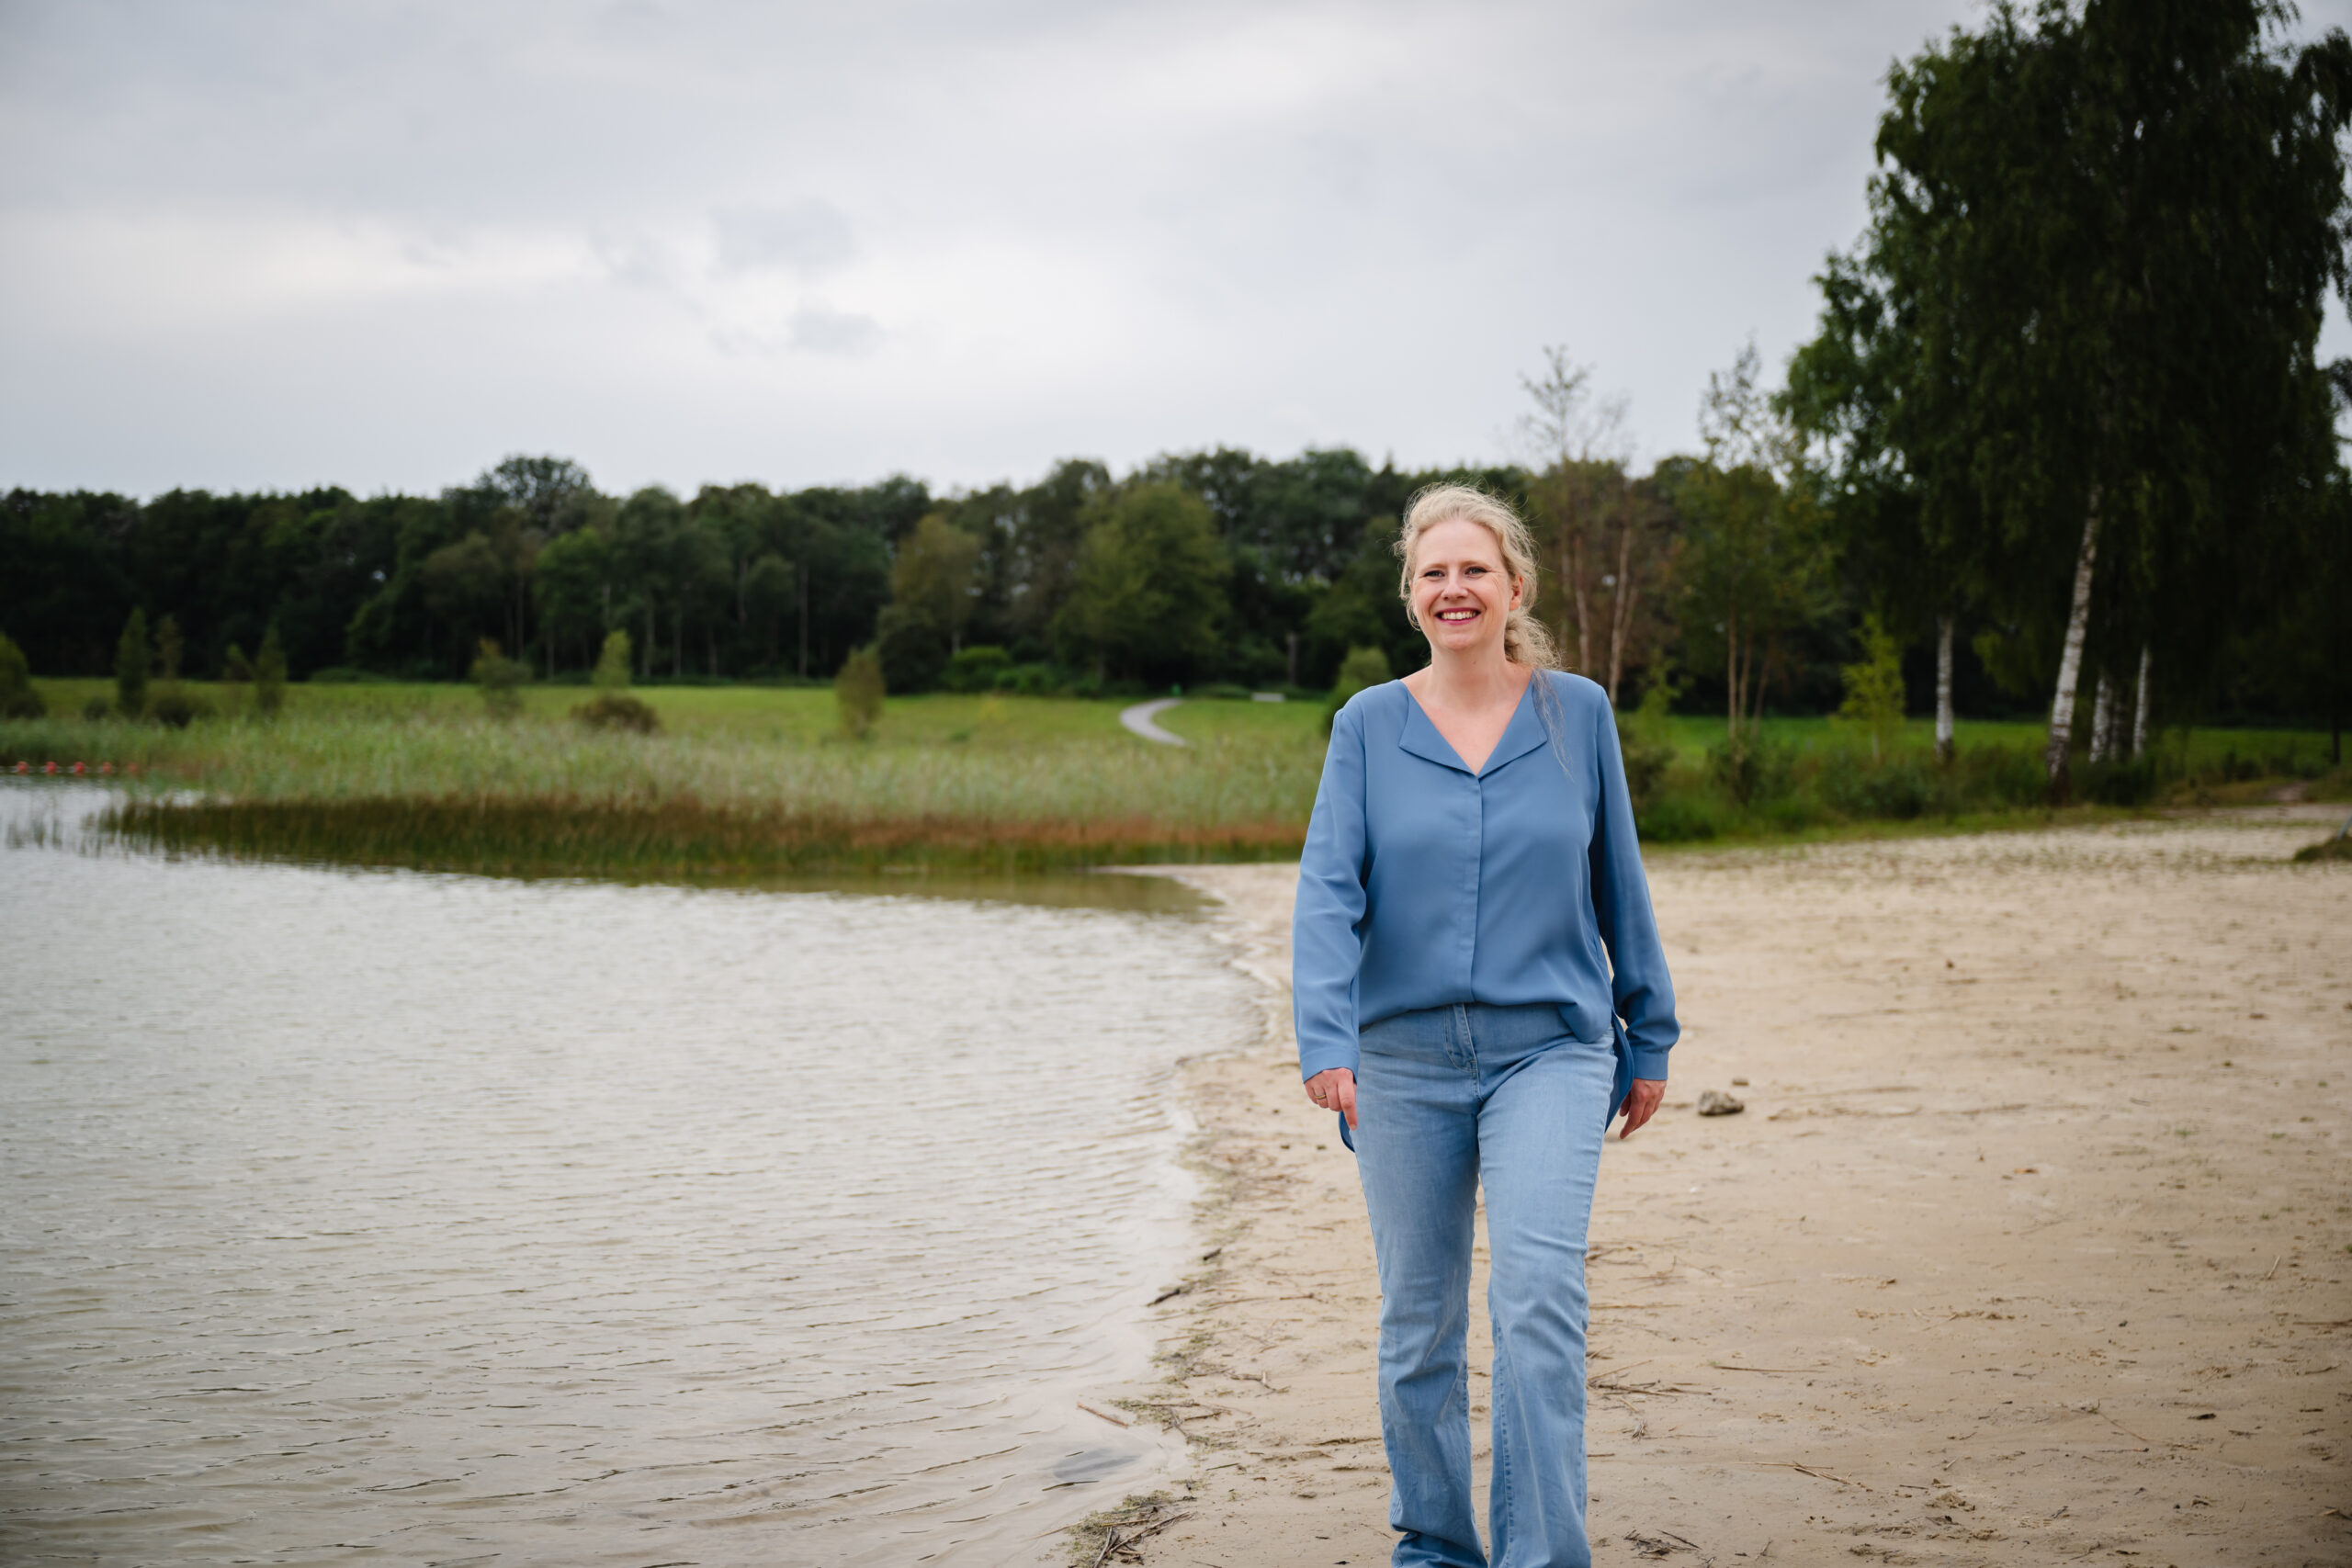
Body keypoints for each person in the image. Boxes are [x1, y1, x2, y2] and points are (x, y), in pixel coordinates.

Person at [1293, 483, 1677, 1568]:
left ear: (1515, 587)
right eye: (1433, 573)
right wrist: (1323, 1041)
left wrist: (1648, 1034)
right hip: (1400, 1061)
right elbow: (1330, 889)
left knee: (1538, 1300)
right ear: (1411, 597)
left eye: (1474, 570)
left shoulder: (1579, 714)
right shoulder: (1366, 725)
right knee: (1419, 1326)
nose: (1453, 588)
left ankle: (1542, 1555)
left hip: (1549, 1051)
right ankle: (1435, 1547)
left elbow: (1619, 883)